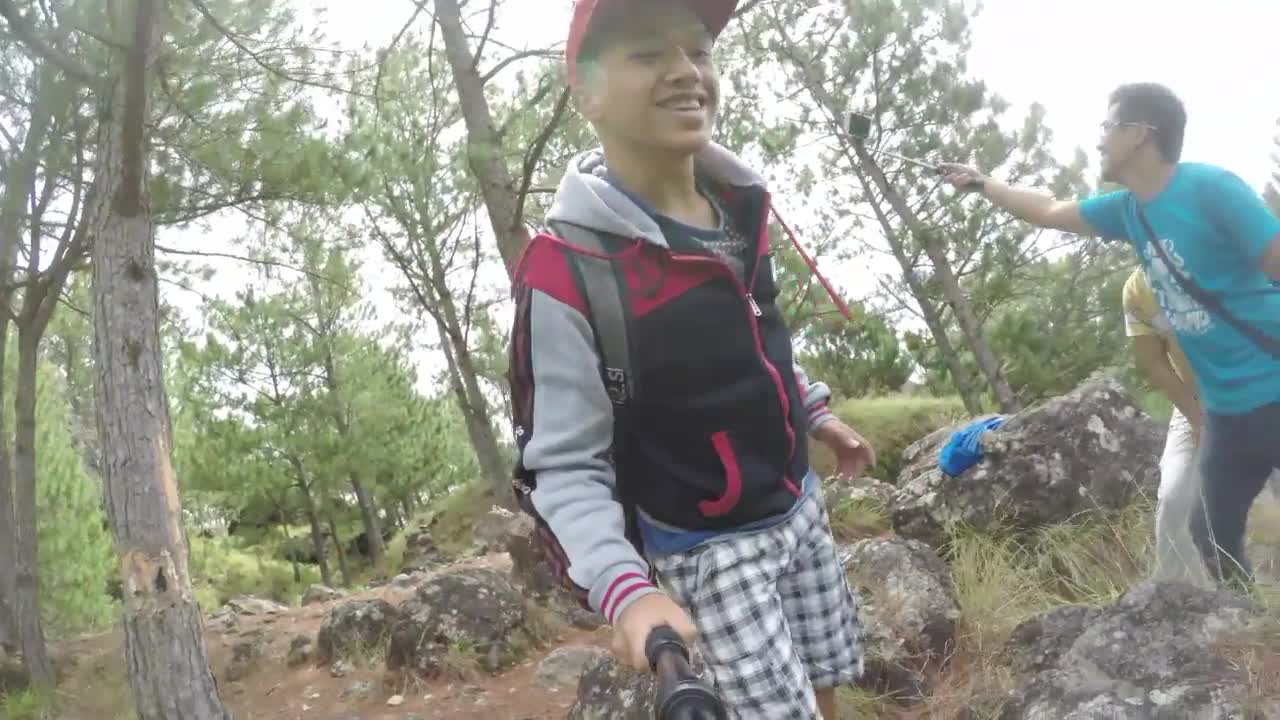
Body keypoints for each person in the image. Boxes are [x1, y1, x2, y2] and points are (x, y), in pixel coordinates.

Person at [506, 0, 870, 716]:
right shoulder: (569, 268)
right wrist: (628, 592)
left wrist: (815, 411)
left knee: (825, 684)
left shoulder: (737, 204)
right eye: (647, 55)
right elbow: (564, 466)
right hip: (709, 551)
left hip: (798, 502)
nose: (685, 73)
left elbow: (757, 340)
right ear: (588, 91)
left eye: (698, 51)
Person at [939, 82, 1280, 589]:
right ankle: (1257, 636)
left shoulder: (1211, 188)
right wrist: (982, 183)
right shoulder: (1127, 210)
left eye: (1107, 126)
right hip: (1226, 412)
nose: (1099, 140)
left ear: (1141, 133)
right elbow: (1048, 209)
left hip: (1273, 385)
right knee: (1209, 534)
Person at [1123, 267, 1280, 585]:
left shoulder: (1224, 254)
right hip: (1199, 401)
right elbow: (1153, 362)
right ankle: (1181, 596)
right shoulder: (1137, 289)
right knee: (1174, 496)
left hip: (1266, 386)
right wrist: (1197, 417)